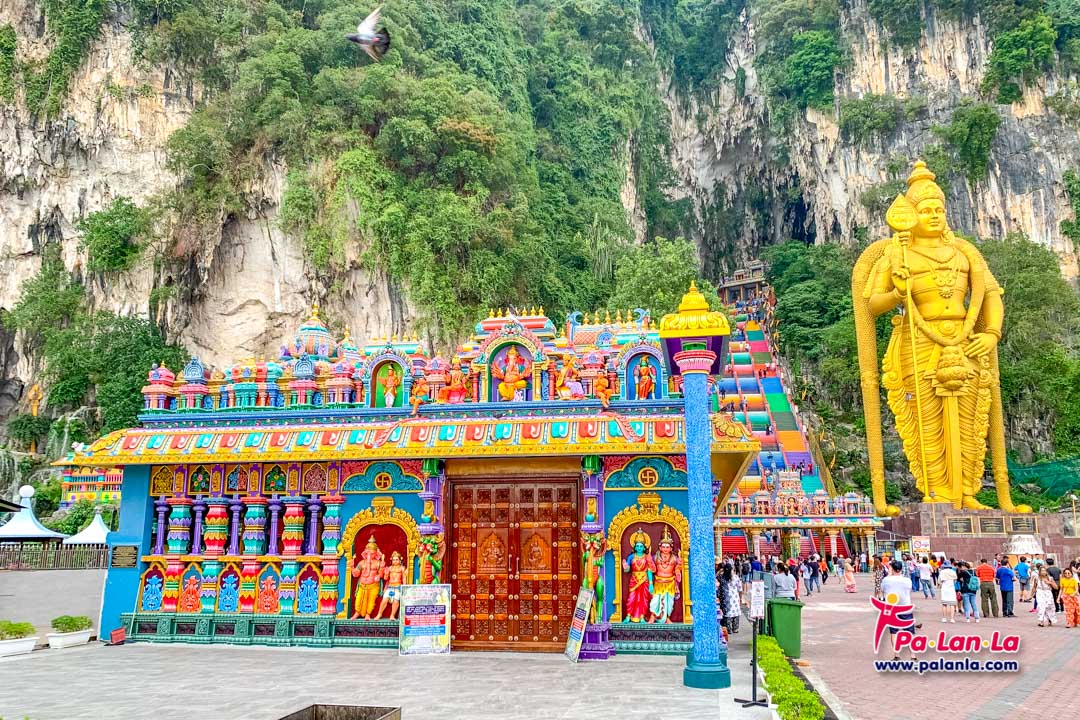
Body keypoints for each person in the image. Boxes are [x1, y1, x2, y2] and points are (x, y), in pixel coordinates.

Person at [881, 560, 916, 661]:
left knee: (894, 632)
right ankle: (913, 655)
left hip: (892, 609)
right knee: (910, 632)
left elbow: (883, 590)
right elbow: (909, 590)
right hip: (905, 607)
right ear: (901, 569)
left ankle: (897, 655)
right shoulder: (907, 580)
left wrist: (888, 574)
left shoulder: (886, 580)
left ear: (891, 568)